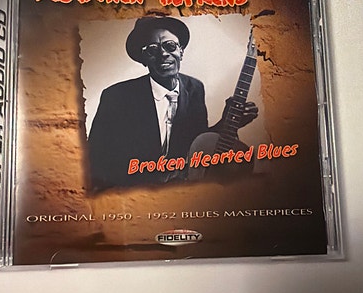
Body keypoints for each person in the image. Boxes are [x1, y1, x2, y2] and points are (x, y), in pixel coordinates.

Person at [88, 16, 257, 190]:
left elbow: (196, 143)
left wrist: (227, 122)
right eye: (152, 49)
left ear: (181, 52)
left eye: (170, 46)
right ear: (144, 59)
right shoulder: (116, 96)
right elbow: (95, 158)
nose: (163, 54)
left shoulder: (195, 88)